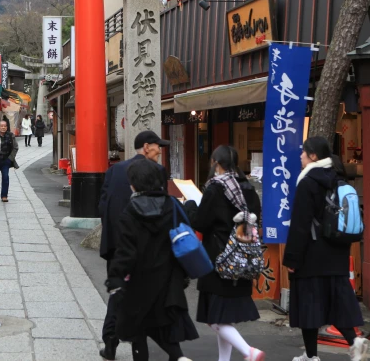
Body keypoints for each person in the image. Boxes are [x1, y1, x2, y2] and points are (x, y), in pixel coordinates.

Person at [285, 136, 368, 361]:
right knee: (336, 303)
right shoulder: (337, 177)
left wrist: (292, 259)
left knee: (309, 307)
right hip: (337, 253)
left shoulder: (308, 181)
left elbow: (301, 224)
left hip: (312, 255)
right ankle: (355, 341)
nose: (301, 155)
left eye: (304, 152)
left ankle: (311, 356)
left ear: (313, 156)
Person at [107, 158, 197, 361]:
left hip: (140, 282)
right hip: (169, 278)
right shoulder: (171, 204)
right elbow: (184, 233)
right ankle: (179, 358)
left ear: (134, 184)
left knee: (139, 330)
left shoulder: (130, 211)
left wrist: (115, 277)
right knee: (163, 326)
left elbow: (126, 252)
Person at [184, 146, 266, 361]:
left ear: (216, 163)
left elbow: (200, 222)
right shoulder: (247, 187)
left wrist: (190, 205)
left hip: (219, 260)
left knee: (215, 319)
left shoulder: (216, 188)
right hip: (243, 258)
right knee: (223, 317)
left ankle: (249, 351)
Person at [98, 130, 169, 360]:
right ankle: (146, 349)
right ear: (147, 147)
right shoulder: (157, 171)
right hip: (145, 248)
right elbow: (161, 211)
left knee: (118, 295)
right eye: (158, 146)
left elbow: (103, 205)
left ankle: (110, 342)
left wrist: (112, 239)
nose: (160, 150)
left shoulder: (115, 169)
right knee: (142, 297)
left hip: (117, 246)